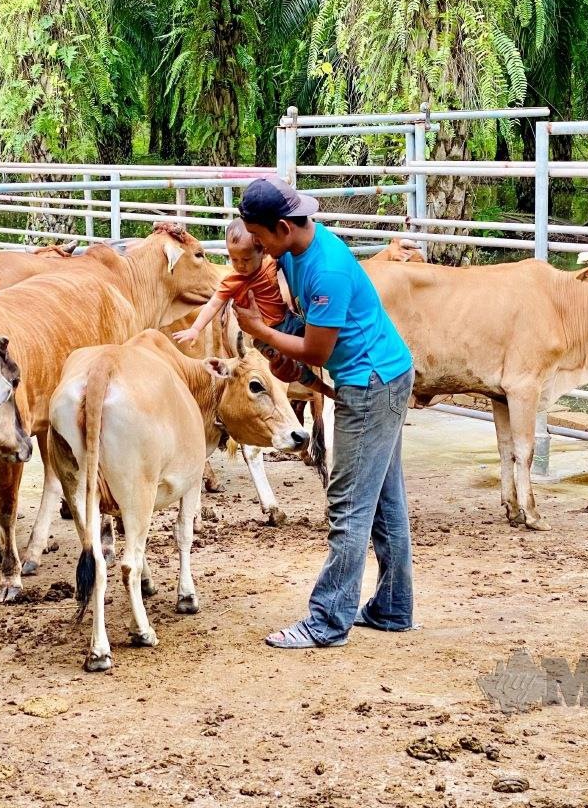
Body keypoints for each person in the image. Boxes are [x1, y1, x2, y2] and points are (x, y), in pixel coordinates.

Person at [234, 177, 416, 648]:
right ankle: (393, 607)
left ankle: (327, 620)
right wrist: (278, 337)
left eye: (259, 238)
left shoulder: (327, 268)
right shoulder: (292, 254)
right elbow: (307, 329)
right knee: (383, 500)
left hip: (371, 384)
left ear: (281, 226)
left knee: (349, 503)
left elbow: (316, 349)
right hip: (381, 374)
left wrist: (265, 333)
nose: (258, 248)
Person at [172, 218, 335, 398]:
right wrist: (195, 328)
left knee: (319, 343)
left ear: (262, 250)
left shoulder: (271, 262)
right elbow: (213, 304)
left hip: (287, 320)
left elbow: (294, 258)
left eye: (246, 259)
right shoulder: (233, 281)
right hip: (263, 339)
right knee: (295, 370)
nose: (240, 265)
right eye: (234, 260)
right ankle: (325, 391)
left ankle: (342, 365)